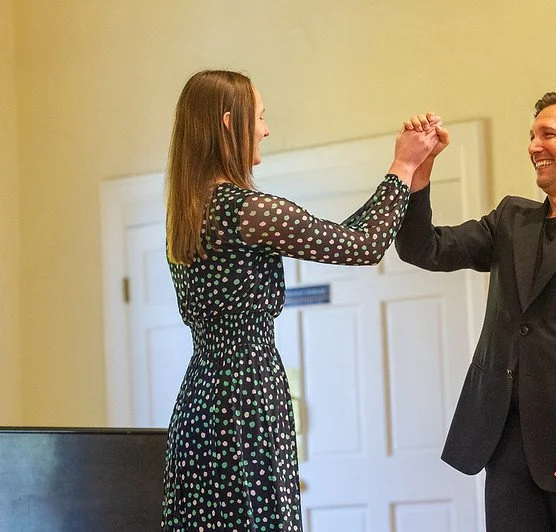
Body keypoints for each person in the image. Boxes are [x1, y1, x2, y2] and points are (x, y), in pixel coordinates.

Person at [162, 69, 440, 531]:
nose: (266, 130)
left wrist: (406, 174)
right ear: (230, 123)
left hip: (199, 401)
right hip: (247, 396)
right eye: (261, 117)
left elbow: (345, 237)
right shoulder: (250, 209)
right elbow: (363, 246)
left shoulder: (189, 211)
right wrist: (403, 167)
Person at [396, 91, 556, 531]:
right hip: (505, 442)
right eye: (532, 135)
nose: (534, 145)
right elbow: (425, 248)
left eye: (548, 134)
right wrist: (418, 175)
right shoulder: (511, 220)